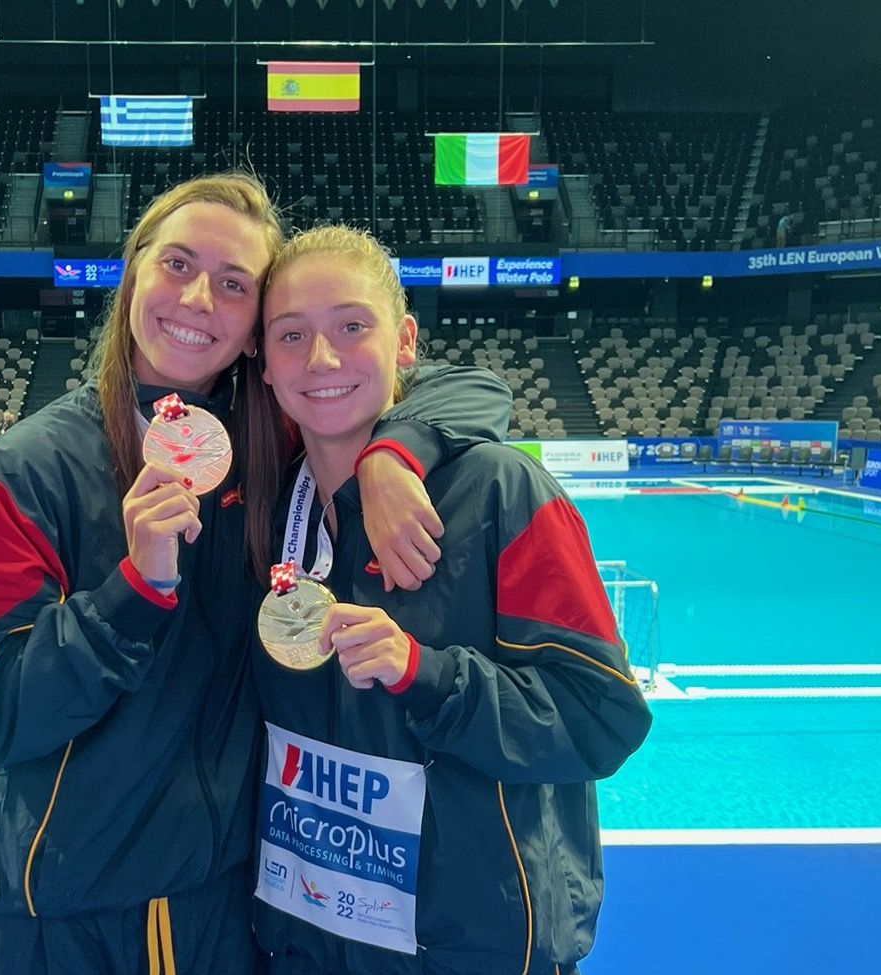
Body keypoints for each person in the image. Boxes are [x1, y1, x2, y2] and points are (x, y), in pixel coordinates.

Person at [0, 174, 511, 975]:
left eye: (234, 284)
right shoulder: (21, 475)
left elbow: (470, 385)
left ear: (254, 336)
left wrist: (392, 453)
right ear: (132, 273)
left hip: (215, 906)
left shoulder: (274, 434)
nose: (199, 297)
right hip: (51, 916)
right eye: (175, 264)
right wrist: (133, 594)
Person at [244, 226, 653, 975]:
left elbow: (603, 718)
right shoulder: (268, 517)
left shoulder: (502, 492)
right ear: (264, 365)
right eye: (292, 335)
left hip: (467, 952)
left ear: (405, 341)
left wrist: (425, 673)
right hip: (308, 941)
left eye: (352, 326)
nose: (323, 358)